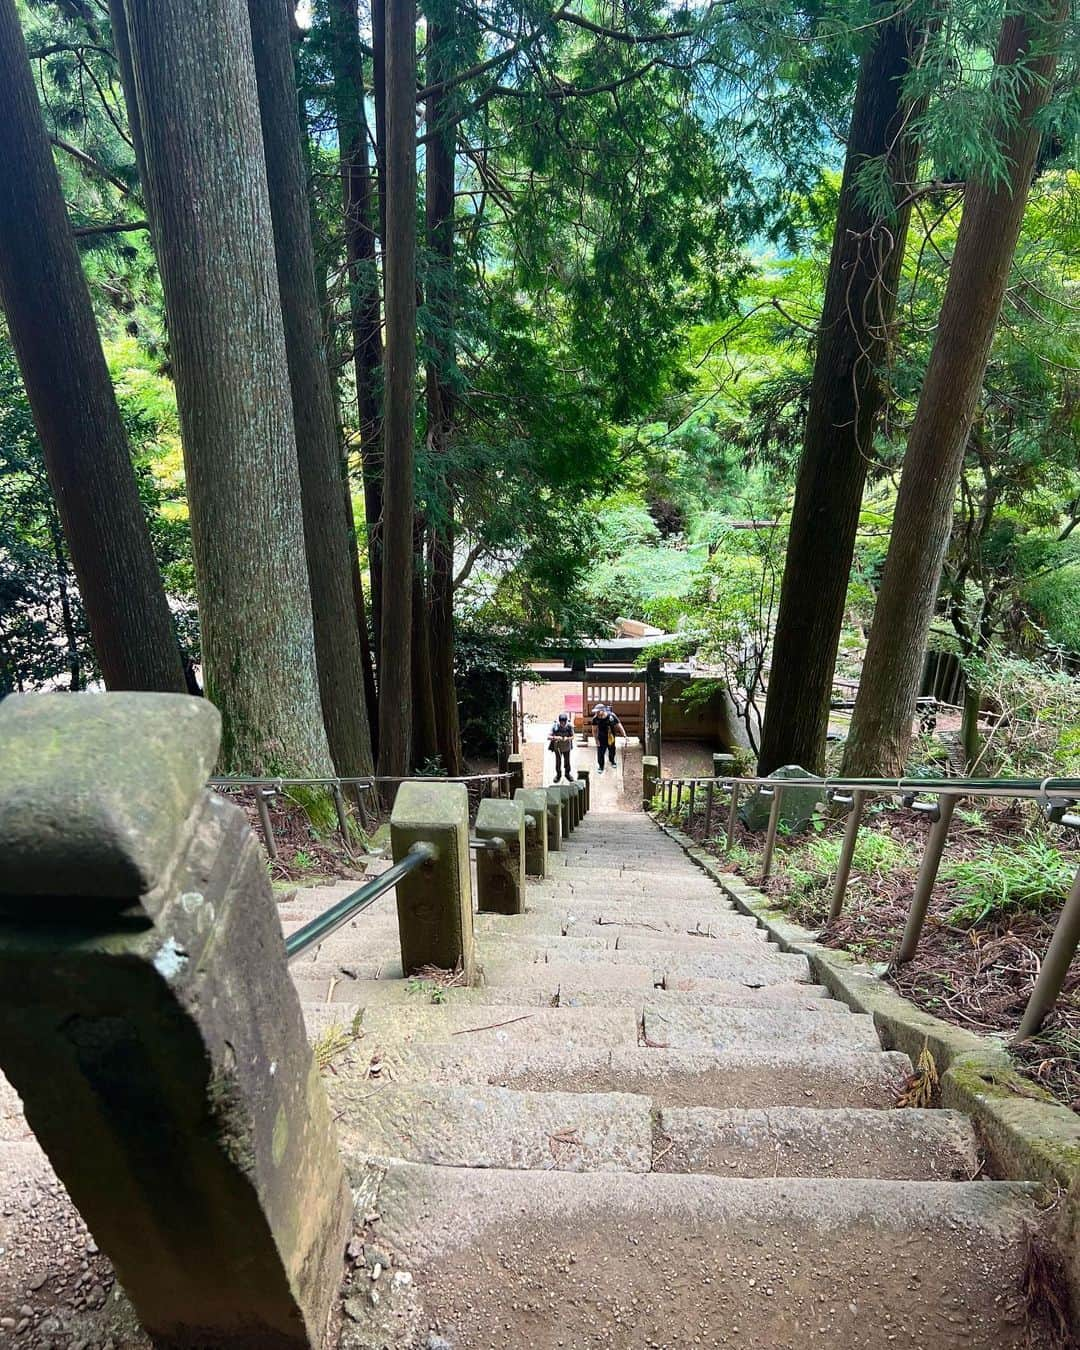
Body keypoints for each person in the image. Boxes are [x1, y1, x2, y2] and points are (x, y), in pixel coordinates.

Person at [591, 702, 625, 773]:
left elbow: (619, 725)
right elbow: (594, 730)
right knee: (600, 753)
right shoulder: (595, 719)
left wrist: (624, 735)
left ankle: (612, 761)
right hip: (601, 738)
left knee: (612, 750)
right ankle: (601, 766)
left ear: (602, 711)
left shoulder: (611, 716)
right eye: (596, 712)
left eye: (598, 712)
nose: (596, 713)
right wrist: (596, 740)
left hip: (611, 737)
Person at [549, 711, 575, 782]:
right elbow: (549, 736)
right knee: (558, 762)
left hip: (567, 747)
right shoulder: (555, 726)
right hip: (557, 748)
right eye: (561, 722)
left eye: (564, 722)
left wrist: (567, 738)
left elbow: (573, 736)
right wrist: (557, 737)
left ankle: (567, 774)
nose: (563, 724)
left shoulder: (569, 726)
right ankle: (558, 775)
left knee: (567, 761)